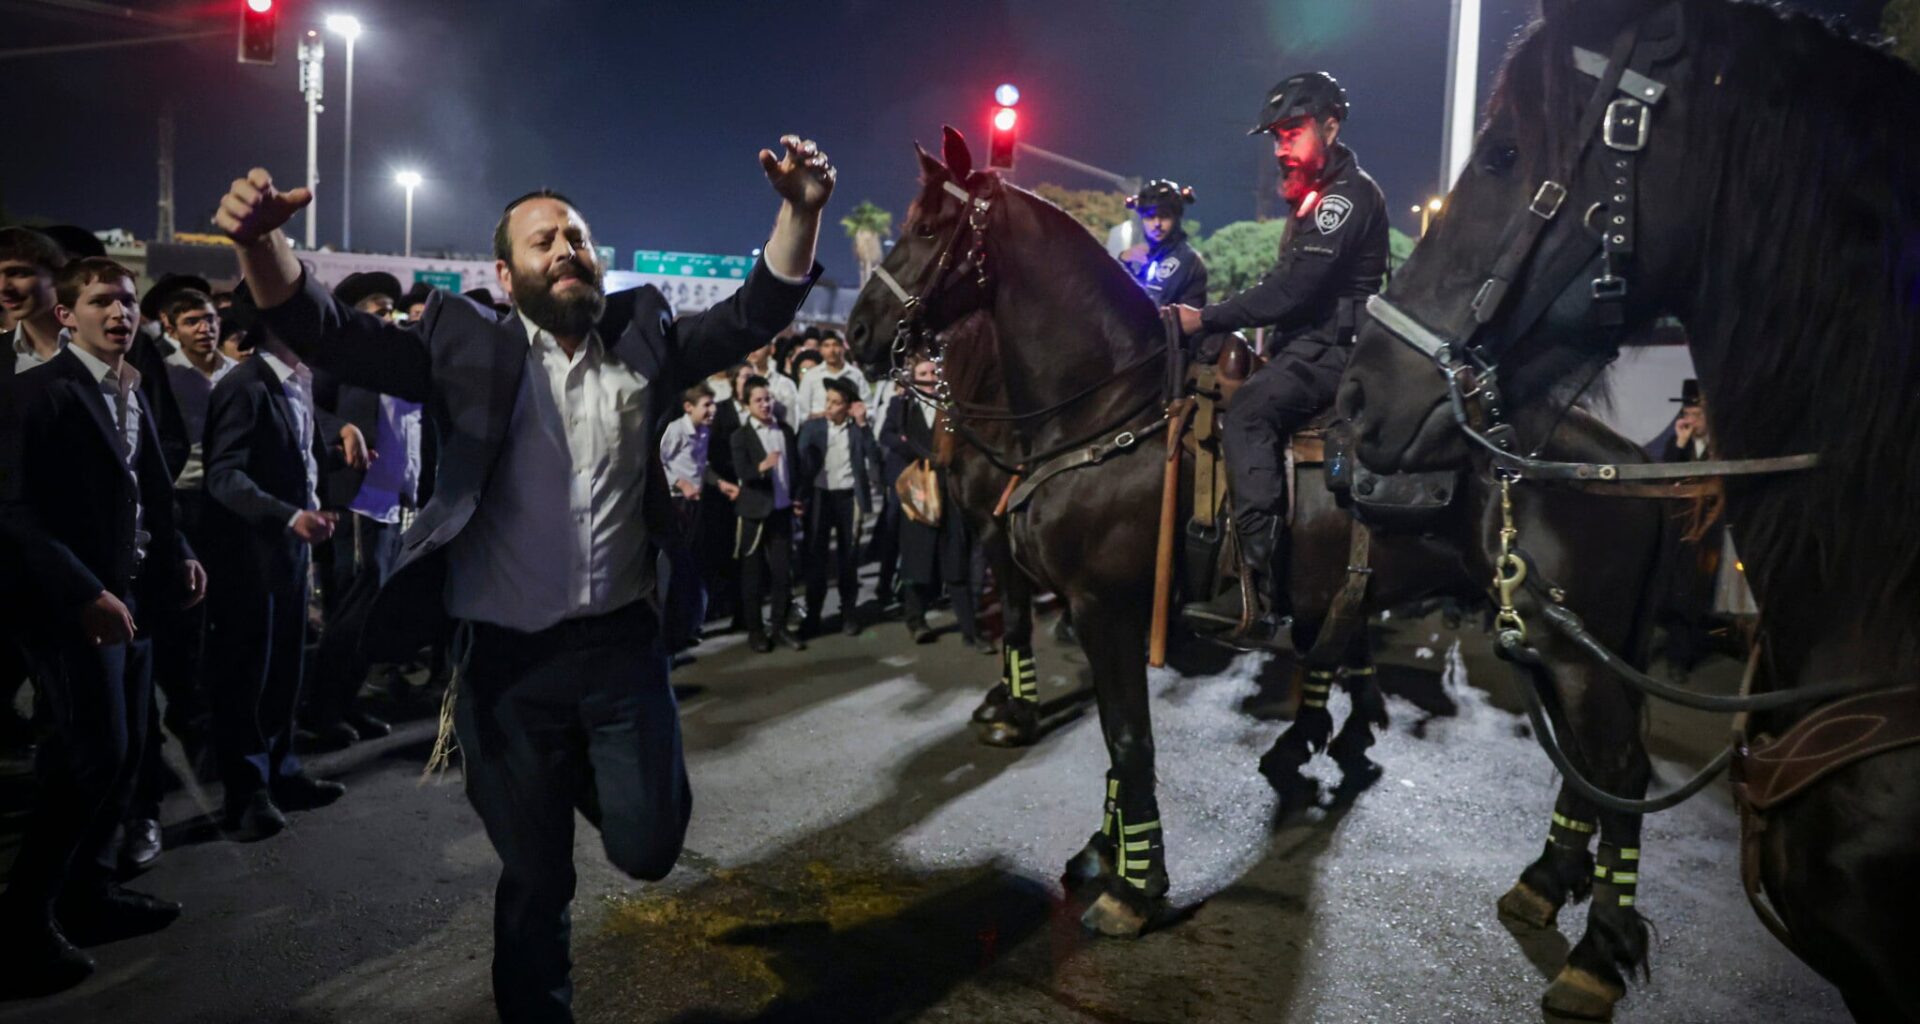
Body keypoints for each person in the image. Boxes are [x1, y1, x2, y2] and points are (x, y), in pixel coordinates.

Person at [212, 132, 831, 1022]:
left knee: (650, 848)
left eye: (577, 236)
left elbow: (753, 313)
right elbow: (332, 332)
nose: (566, 248)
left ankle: (584, 772)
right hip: (506, 670)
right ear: (504, 277)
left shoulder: (646, 334)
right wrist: (260, 243)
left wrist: (801, 211)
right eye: (543, 241)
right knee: (538, 877)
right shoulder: (462, 344)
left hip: (622, 654)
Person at [0, 256, 205, 993]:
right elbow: (14, 510)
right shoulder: (38, 392)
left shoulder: (130, 388)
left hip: (133, 600)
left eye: (126, 301)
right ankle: (22, 922)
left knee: (118, 757)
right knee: (92, 756)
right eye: (100, 302)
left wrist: (179, 553)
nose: (119, 313)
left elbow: (148, 491)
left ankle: (87, 894)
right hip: (71, 610)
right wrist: (83, 591)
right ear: (66, 315)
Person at [1175, 71, 1388, 632]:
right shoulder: (1313, 196)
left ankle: (1260, 585)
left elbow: (1291, 291)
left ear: (1330, 128)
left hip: (1333, 354)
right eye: (1276, 137)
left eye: (1292, 133)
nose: (1280, 148)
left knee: (1249, 413)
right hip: (1304, 347)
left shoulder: (1345, 198)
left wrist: (1204, 316)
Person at [201, 321, 349, 841]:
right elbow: (224, 475)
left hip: (290, 550)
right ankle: (246, 795)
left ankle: (282, 773)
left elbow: (298, 452)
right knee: (248, 675)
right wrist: (287, 515)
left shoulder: (298, 380)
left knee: (286, 667)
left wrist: (338, 447)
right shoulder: (244, 386)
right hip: (250, 555)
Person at [309, 272, 414, 748]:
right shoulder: (338, 359)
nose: (389, 315)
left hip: (393, 498)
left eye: (391, 306)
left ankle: (348, 701)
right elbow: (309, 408)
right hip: (358, 495)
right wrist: (342, 429)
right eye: (378, 306)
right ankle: (322, 708)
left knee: (372, 609)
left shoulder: (399, 360)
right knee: (352, 605)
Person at [881, 359, 993, 652]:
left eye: (932, 372)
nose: (929, 377)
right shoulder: (902, 405)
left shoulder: (950, 407)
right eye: (923, 373)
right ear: (913, 377)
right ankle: (916, 621)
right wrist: (913, 449)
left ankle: (971, 631)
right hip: (918, 491)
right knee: (917, 561)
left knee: (955, 563)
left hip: (950, 491)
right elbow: (887, 435)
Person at [1646, 379, 1723, 671]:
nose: (1691, 420)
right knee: (1670, 588)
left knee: (1694, 593)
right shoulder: (1681, 443)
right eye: (1687, 414)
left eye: (1696, 415)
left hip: (1707, 532)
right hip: (1678, 528)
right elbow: (1667, 477)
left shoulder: (1719, 447)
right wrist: (1679, 443)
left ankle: (1681, 657)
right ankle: (1670, 647)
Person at [797, 378, 880, 637]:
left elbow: (873, 456)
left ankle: (849, 613)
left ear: (848, 406)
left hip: (848, 496)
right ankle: (813, 615)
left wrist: (863, 424)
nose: (829, 406)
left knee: (849, 556)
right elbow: (801, 462)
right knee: (816, 556)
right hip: (820, 496)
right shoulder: (813, 427)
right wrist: (799, 497)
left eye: (836, 402)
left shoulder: (857, 429)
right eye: (828, 401)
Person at [732, 376, 806, 653]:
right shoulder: (740, 436)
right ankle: (755, 631)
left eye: (768, 399)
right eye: (758, 401)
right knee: (752, 575)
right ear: (747, 404)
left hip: (782, 510)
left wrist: (796, 497)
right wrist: (761, 466)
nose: (765, 405)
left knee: (782, 573)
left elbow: (794, 467)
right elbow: (742, 471)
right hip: (754, 512)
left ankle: (779, 626)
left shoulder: (784, 430)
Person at [1121, 179, 1209, 308]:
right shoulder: (1142, 255)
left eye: (1164, 216)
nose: (1157, 224)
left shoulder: (1186, 259)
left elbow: (1151, 306)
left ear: (1176, 218)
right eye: (1150, 217)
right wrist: (1123, 263)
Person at [793, 329, 867, 418]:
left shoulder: (856, 375)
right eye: (826, 345)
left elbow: (868, 407)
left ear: (843, 348)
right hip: (818, 425)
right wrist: (821, 416)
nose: (831, 350)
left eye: (835, 345)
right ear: (820, 350)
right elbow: (801, 412)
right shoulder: (811, 376)